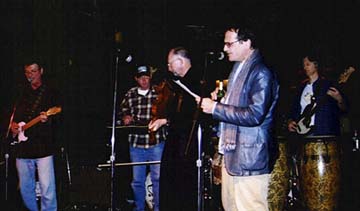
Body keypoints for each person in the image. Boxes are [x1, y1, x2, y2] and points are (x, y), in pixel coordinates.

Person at [198, 26, 279, 211]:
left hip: (249, 157)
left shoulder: (261, 72)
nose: (225, 48)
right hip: (234, 155)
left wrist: (216, 108)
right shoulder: (238, 70)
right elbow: (238, 104)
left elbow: (255, 115)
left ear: (246, 43)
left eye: (229, 44)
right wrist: (220, 99)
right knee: (231, 207)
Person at [287, 53, 346, 211]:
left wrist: (339, 98)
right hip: (304, 137)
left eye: (307, 64)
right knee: (305, 177)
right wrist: (291, 122)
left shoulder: (328, 85)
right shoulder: (300, 88)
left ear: (316, 65)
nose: (305, 67)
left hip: (324, 136)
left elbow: (344, 109)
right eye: (304, 64)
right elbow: (293, 111)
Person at [159, 46, 209, 211]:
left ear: (180, 62)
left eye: (169, 63)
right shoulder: (180, 85)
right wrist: (165, 120)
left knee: (184, 189)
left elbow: (192, 116)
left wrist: (167, 120)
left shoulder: (198, 83)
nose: (168, 67)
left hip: (187, 147)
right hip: (179, 144)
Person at [10, 57, 61, 211]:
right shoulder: (20, 91)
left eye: (33, 71)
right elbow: (11, 114)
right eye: (27, 72)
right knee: (25, 188)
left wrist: (48, 119)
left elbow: (60, 115)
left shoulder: (50, 91)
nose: (30, 75)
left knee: (47, 188)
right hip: (22, 148)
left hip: (43, 147)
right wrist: (12, 125)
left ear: (41, 71)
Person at [118, 65, 167, 211]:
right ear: (136, 79)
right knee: (137, 181)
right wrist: (125, 118)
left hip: (157, 143)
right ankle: (139, 208)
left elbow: (168, 114)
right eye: (141, 77)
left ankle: (158, 208)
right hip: (136, 144)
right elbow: (122, 113)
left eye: (147, 77)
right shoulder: (130, 94)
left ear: (150, 77)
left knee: (157, 179)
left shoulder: (159, 92)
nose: (144, 80)